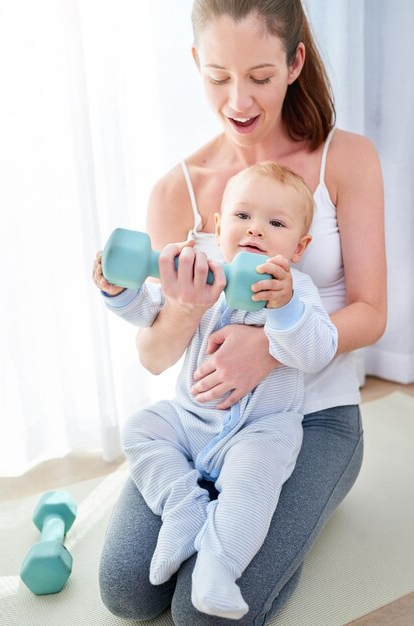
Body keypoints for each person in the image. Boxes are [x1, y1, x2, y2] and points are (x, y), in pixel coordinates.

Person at [95, 1, 386, 624]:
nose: (239, 100)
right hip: (201, 422)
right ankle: (196, 507)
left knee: (202, 615)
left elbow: (371, 312)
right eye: (218, 76)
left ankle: (282, 537)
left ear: (294, 62)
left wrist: (272, 346)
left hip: (311, 423)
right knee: (126, 590)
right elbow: (151, 354)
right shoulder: (178, 188)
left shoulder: (347, 160)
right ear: (195, 64)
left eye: (259, 75)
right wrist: (179, 310)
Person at [94, 162, 338, 619]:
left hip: (259, 431)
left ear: (300, 247)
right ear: (219, 227)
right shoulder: (202, 273)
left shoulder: (297, 293)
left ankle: (218, 565)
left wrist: (283, 310)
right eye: (243, 217)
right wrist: (119, 292)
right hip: (189, 421)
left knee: (254, 480)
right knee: (141, 428)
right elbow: (151, 313)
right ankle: (182, 506)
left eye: (277, 223)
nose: (256, 231)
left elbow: (318, 351)